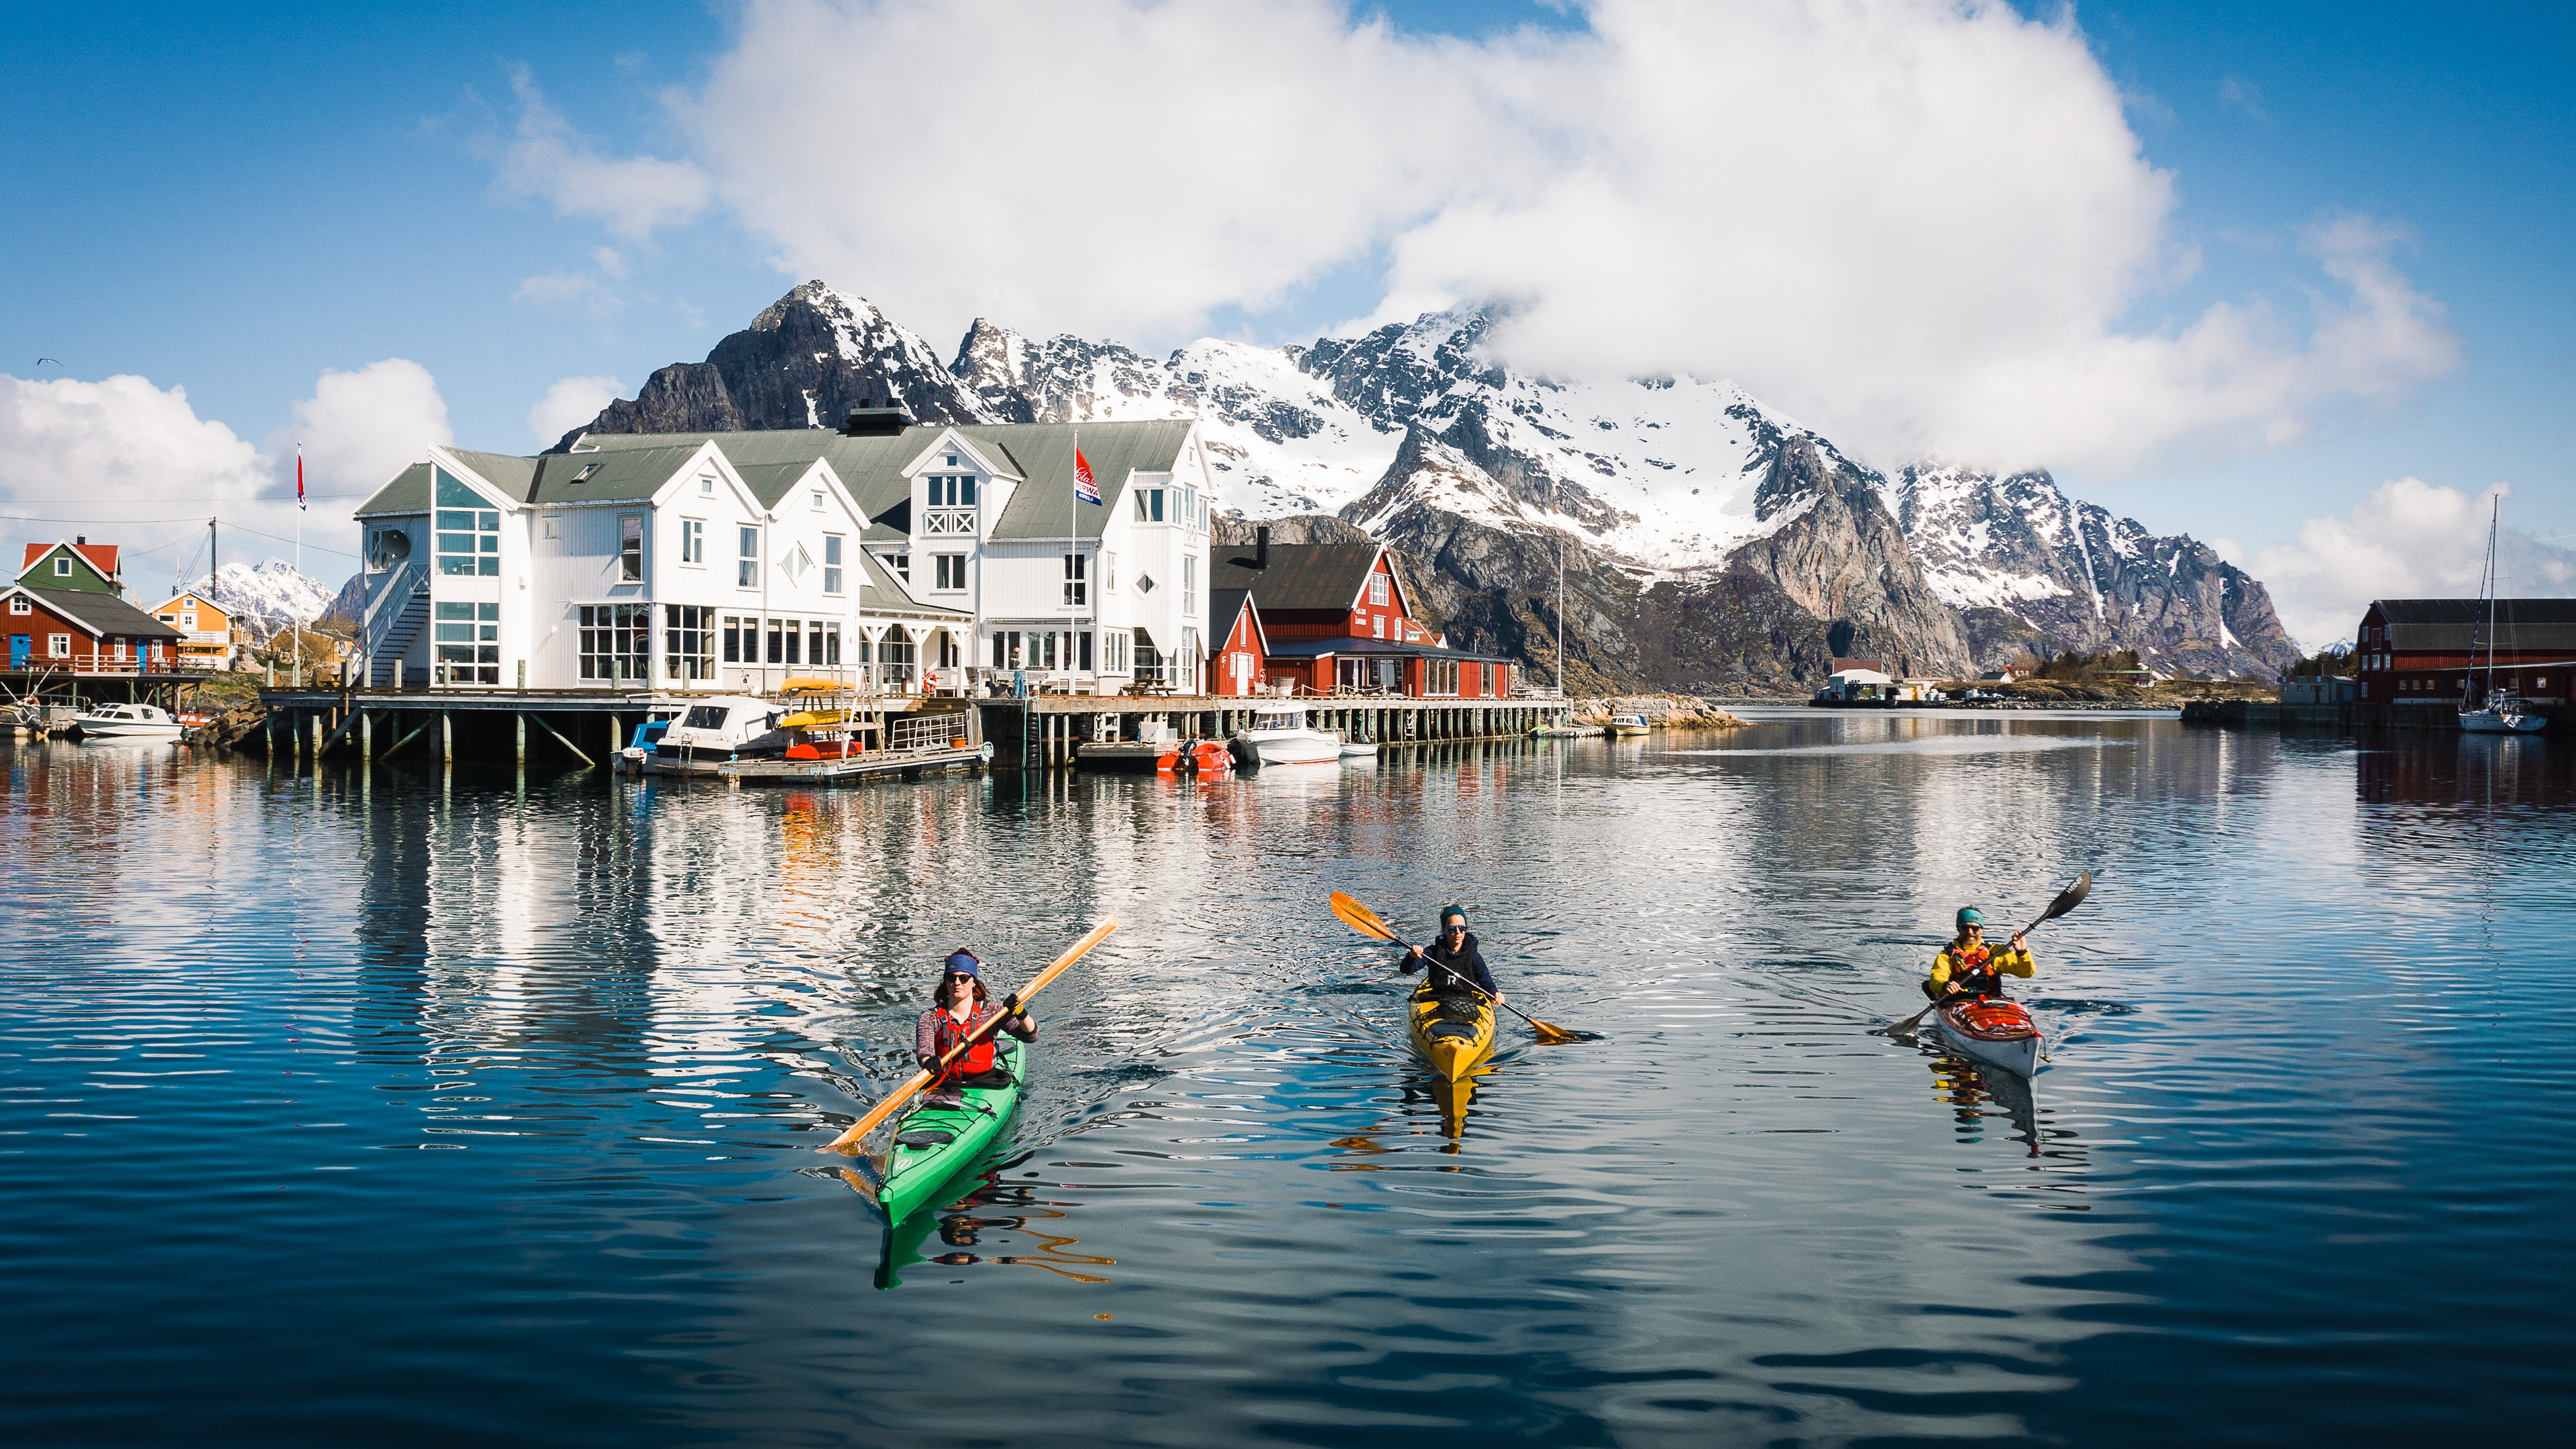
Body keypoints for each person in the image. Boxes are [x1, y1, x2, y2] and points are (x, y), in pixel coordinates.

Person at [914, 950, 1036, 1104]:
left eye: (964, 978)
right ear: (945, 982)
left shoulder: (992, 1012)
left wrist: (1021, 1013)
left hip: (986, 1082)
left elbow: (1031, 1036)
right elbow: (924, 1051)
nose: (957, 983)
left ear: (973, 982)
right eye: (951, 978)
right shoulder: (930, 1018)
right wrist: (928, 1061)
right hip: (944, 1084)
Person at [1401, 906, 1503, 1005]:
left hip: (1467, 1002)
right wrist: (1412, 957)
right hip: (1437, 1001)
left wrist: (1495, 994)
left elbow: (1486, 982)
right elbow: (1406, 970)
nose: (1458, 932)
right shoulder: (1433, 952)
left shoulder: (1474, 956)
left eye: (1462, 928)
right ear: (1444, 930)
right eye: (1452, 929)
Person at [1925, 908, 2032, 1002]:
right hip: (1958, 1000)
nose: (1970, 932)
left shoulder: (1996, 952)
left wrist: (2022, 953)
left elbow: (2026, 973)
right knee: (1927, 984)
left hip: (1990, 1000)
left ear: (1981, 929)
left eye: (1975, 928)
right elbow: (1937, 977)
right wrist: (1945, 985)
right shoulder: (1947, 955)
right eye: (1965, 927)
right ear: (1958, 928)